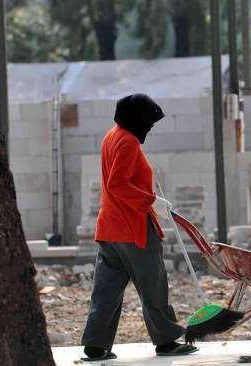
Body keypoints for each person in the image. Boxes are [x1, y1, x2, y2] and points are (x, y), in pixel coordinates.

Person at [80, 94, 197, 361]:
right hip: (133, 228)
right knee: (153, 285)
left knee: (106, 291)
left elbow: (117, 183)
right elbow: (117, 184)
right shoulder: (128, 142)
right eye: (149, 122)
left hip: (110, 229)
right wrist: (151, 201)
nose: (151, 127)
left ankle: (95, 345)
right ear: (138, 120)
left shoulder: (112, 135)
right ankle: (167, 341)